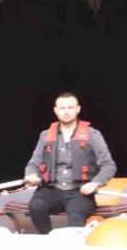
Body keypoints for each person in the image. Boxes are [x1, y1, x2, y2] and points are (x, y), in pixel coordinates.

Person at [24, 91, 117, 232]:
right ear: (56, 111)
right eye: (62, 108)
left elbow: (108, 165)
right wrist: (30, 174)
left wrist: (95, 183)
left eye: (70, 107)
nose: (66, 112)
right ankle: (47, 240)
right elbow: (34, 163)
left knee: (76, 216)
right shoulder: (45, 135)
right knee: (36, 206)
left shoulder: (93, 134)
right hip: (52, 189)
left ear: (78, 109)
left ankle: (73, 246)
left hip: (79, 192)